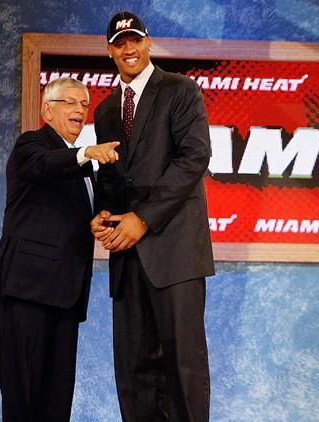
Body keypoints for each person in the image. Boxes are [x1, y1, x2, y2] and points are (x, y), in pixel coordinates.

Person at [90, 11, 215, 422]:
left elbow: (194, 157)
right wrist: (102, 212)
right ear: (110, 51)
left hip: (175, 252)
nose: (129, 48)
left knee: (183, 366)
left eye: (135, 40)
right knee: (134, 372)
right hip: (128, 260)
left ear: (148, 43)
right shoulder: (106, 110)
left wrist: (141, 219)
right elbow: (112, 176)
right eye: (120, 43)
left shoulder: (180, 90)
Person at [0, 77, 120, 421]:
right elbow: (44, 165)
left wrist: (99, 219)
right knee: (24, 401)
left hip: (66, 297)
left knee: (56, 406)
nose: (80, 109)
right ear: (47, 110)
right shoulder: (32, 145)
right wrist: (87, 152)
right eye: (70, 102)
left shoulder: (84, 167)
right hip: (27, 292)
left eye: (85, 104)